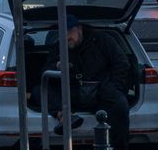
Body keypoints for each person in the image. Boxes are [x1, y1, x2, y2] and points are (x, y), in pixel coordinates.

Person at [30, 14, 131, 149]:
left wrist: (114, 86)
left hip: (101, 91)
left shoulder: (103, 41)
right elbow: (45, 73)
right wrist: (57, 67)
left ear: (79, 29)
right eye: (62, 33)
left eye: (70, 31)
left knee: (120, 106)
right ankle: (65, 116)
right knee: (39, 91)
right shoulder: (58, 47)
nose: (67, 37)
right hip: (72, 93)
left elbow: (122, 63)